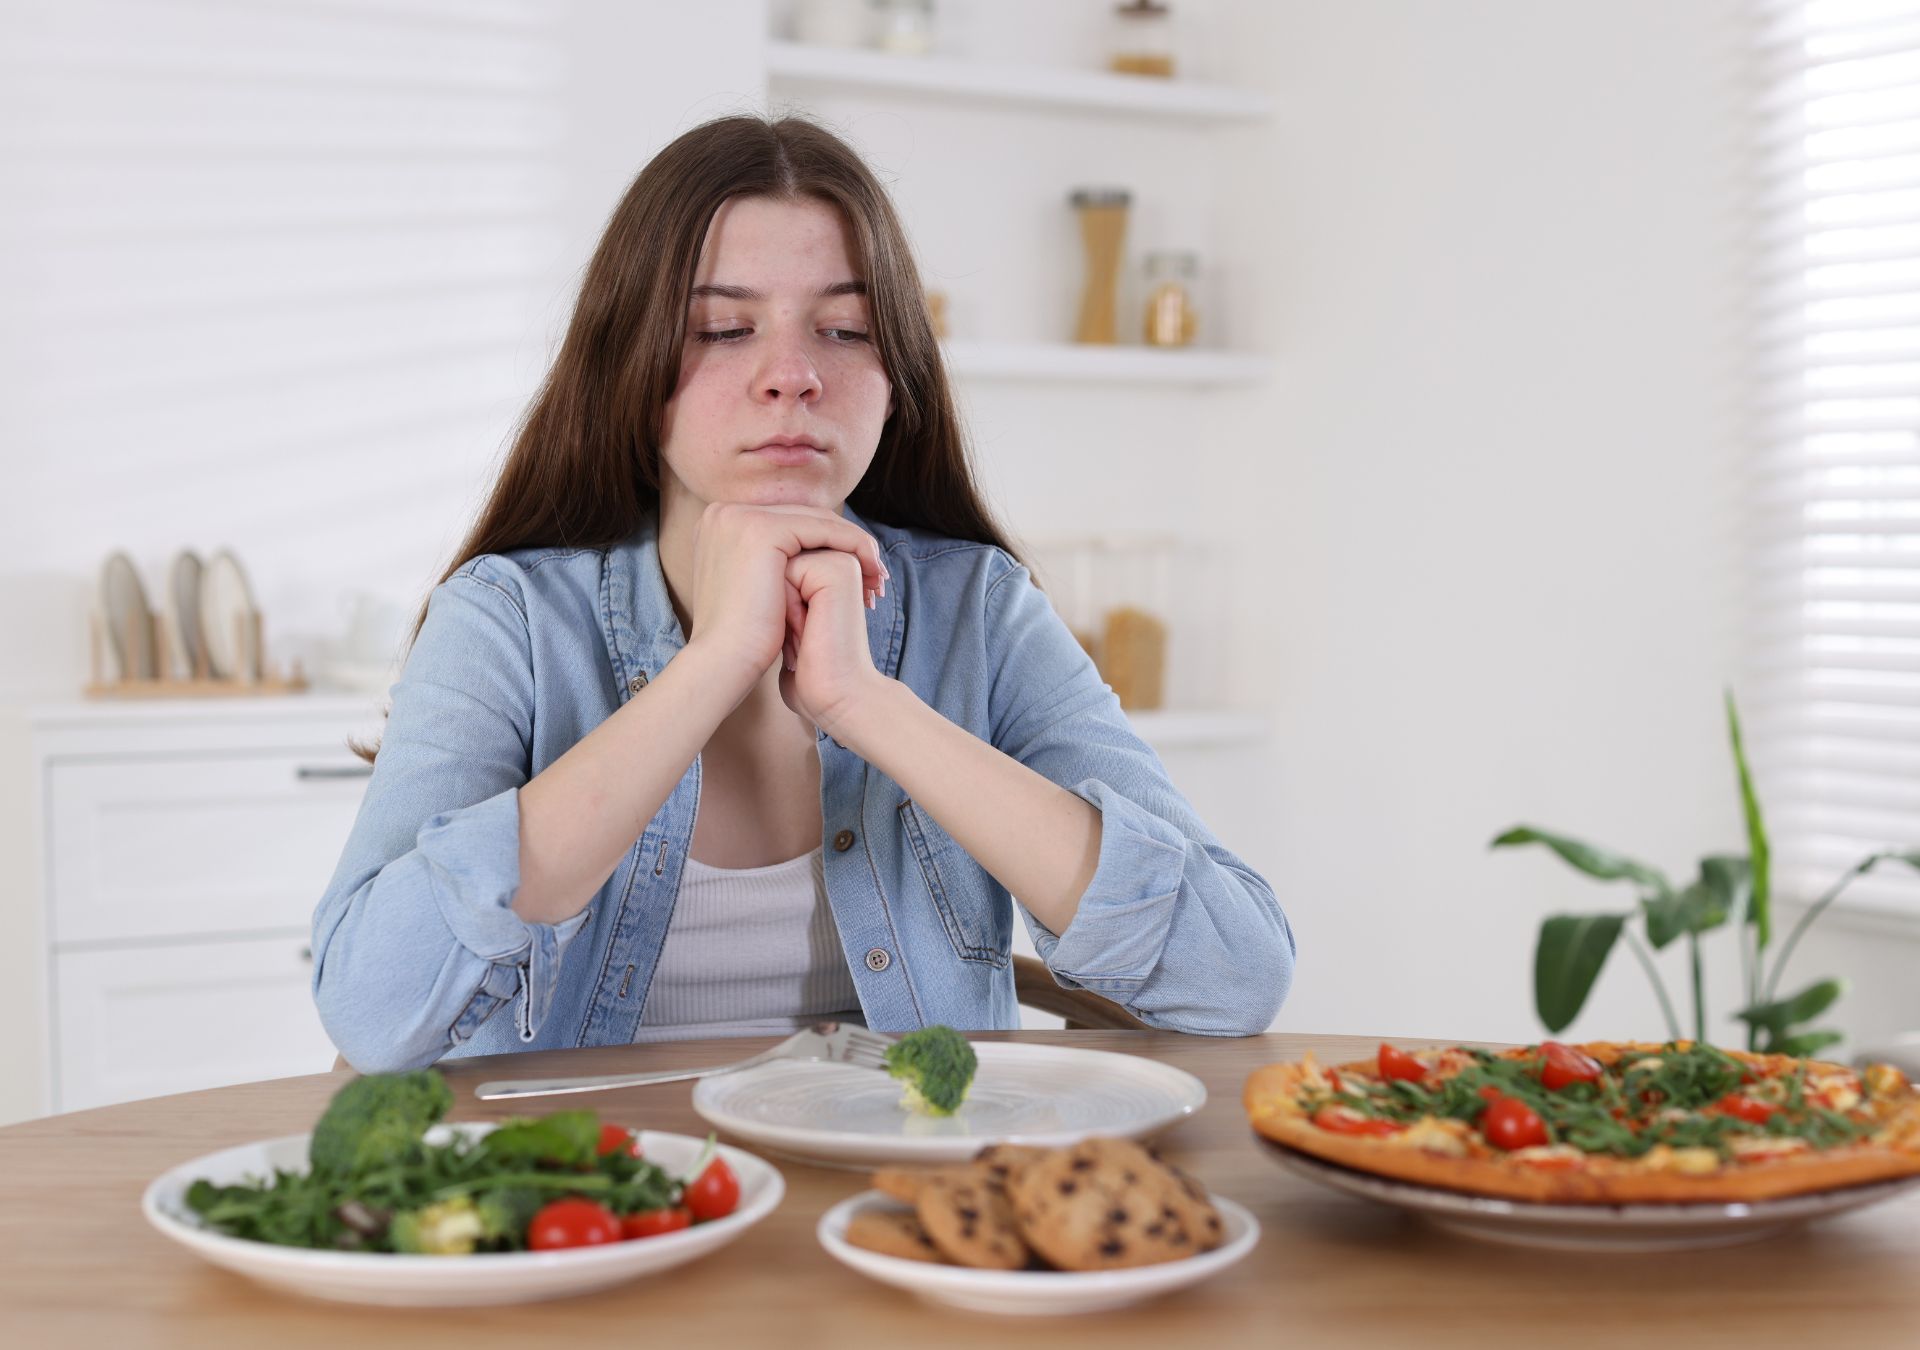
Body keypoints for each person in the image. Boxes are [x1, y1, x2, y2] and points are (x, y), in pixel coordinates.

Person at [311, 115, 1294, 1073]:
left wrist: (865, 705)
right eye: (724, 328)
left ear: (897, 377)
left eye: (844, 329)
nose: (791, 376)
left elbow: (1235, 976)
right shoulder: (508, 619)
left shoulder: (981, 611)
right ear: (630, 372)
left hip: (897, 1207)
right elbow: (375, 1010)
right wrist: (711, 667)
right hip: (591, 1208)